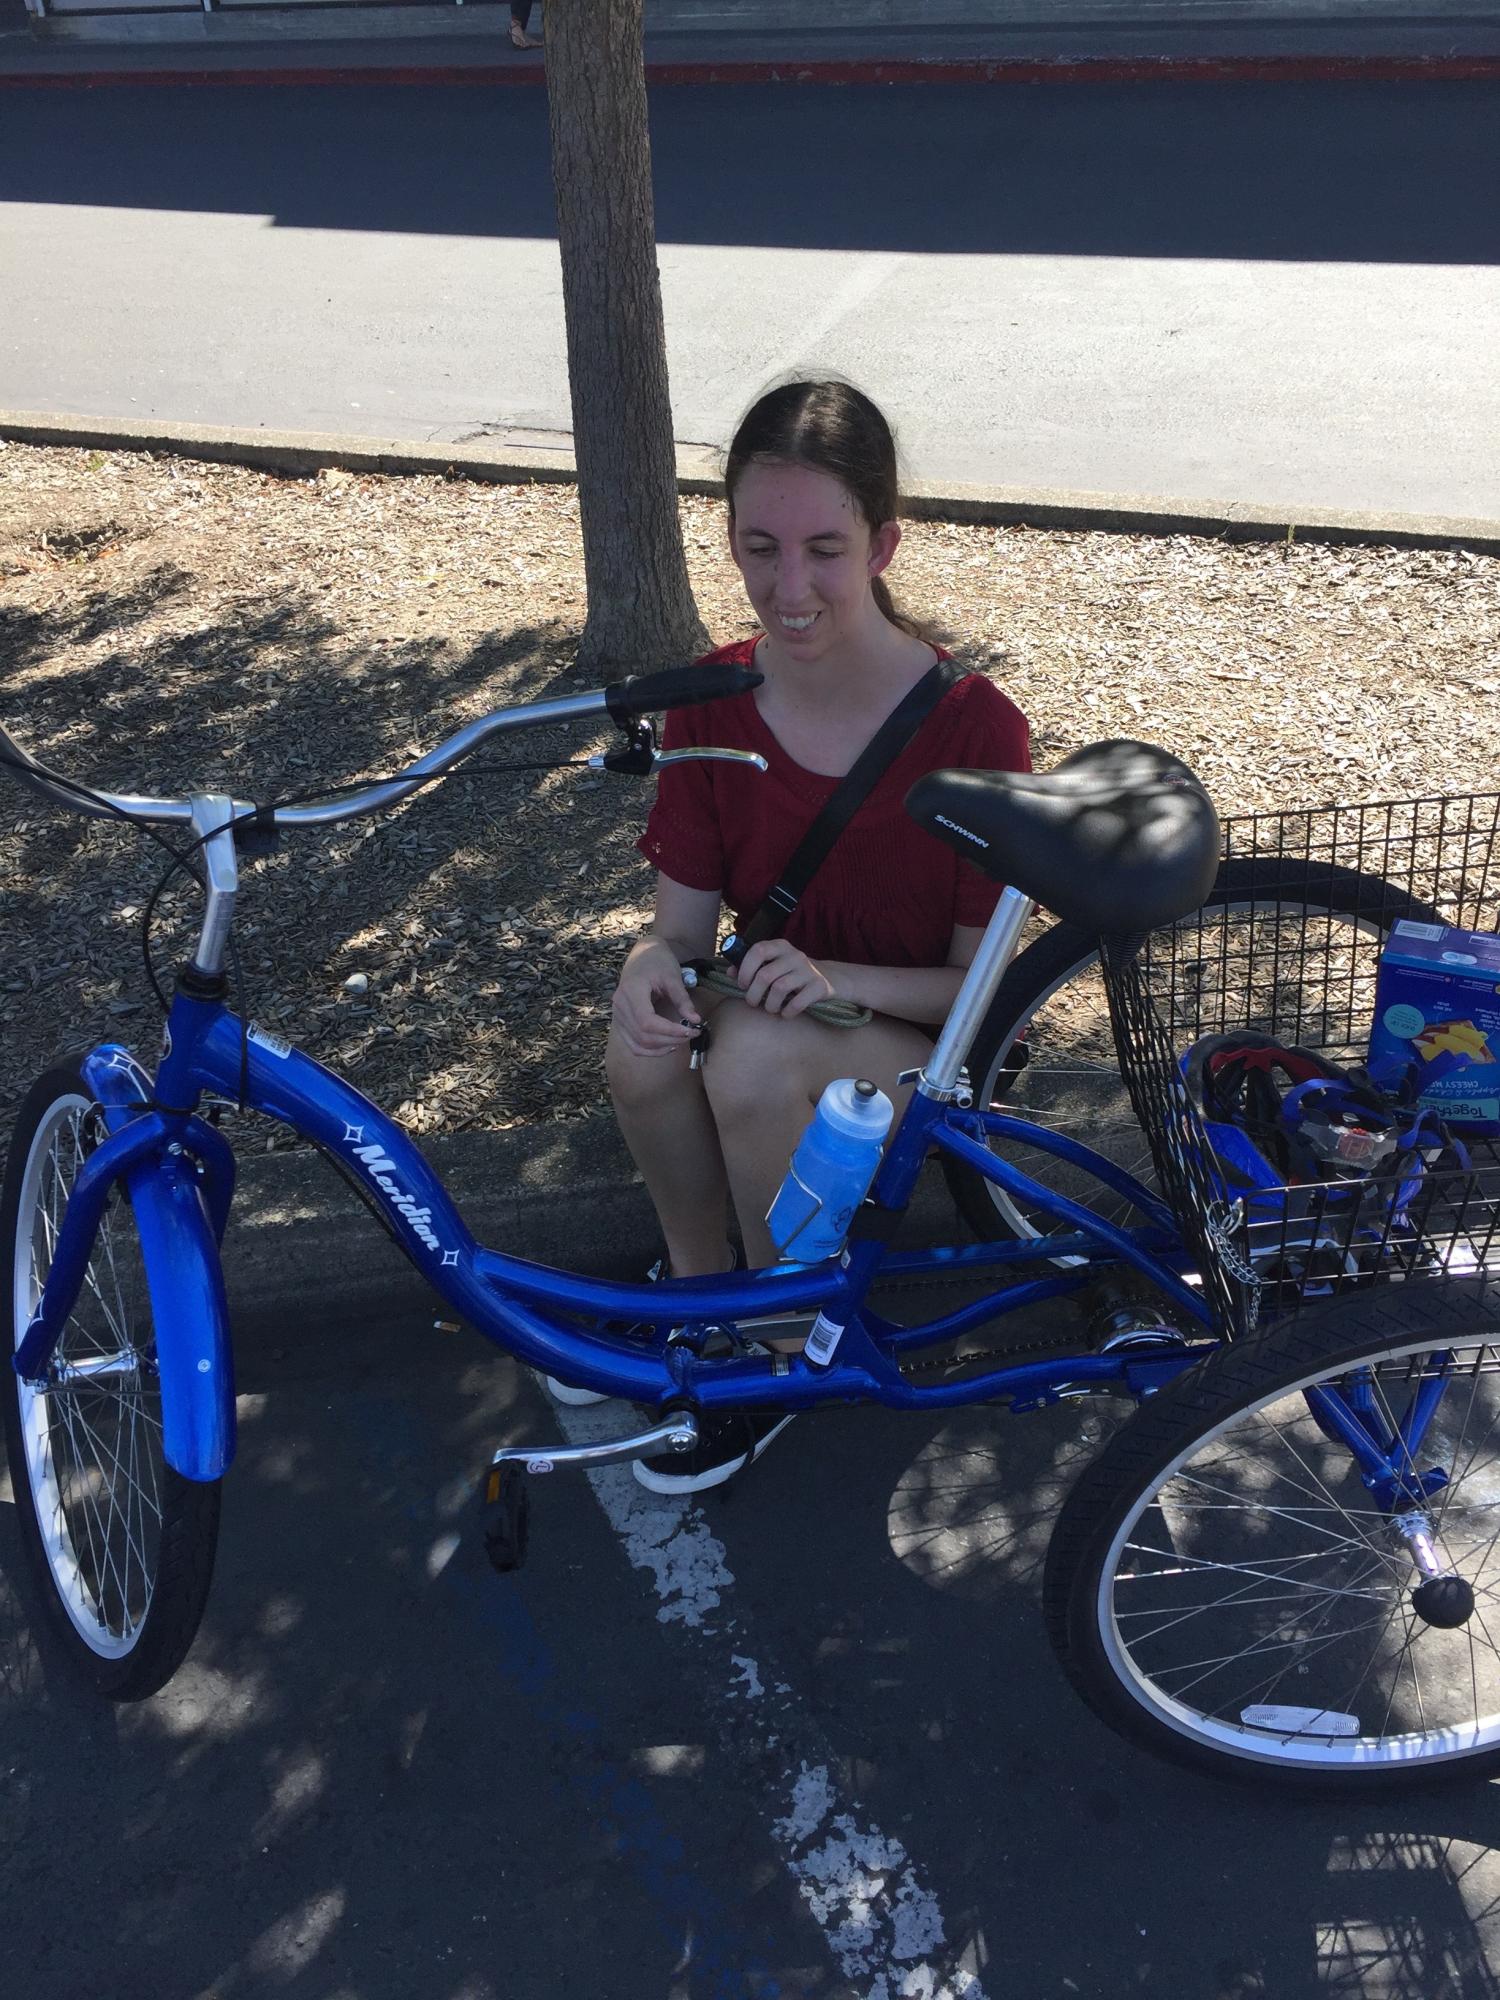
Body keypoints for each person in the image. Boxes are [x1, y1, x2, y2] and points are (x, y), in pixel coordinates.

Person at [582, 380, 1031, 1492]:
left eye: (824, 548)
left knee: (750, 1057)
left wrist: (832, 976)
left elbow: (983, 988)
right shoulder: (714, 702)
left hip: (927, 1037)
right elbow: (678, 930)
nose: (791, 587)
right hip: (785, 999)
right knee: (643, 1044)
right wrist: (647, 972)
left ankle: (784, 1350)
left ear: (883, 542)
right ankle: (704, 1297)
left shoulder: (972, 725)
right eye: (760, 546)